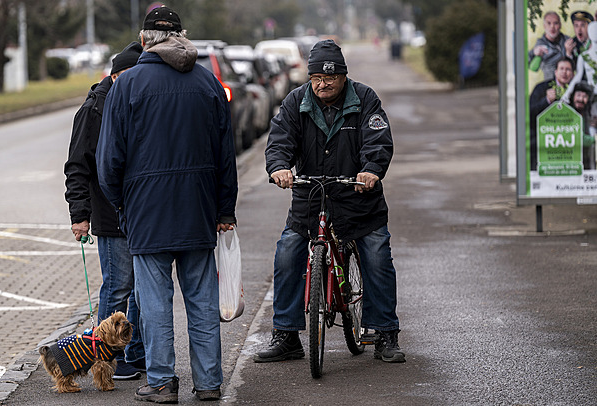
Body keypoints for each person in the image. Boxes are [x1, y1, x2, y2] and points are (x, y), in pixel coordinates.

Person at [96, 6, 238, 403]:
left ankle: (160, 382)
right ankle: (208, 383)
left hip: (147, 213)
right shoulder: (209, 83)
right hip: (198, 210)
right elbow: (225, 155)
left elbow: (109, 161)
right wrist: (225, 209)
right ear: (182, 37)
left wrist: (122, 206)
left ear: (144, 40)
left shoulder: (126, 86)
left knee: (154, 304)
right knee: (203, 303)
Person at [255, 39, 405, 365]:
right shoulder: (296, 101)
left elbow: (378, 140)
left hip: (358, 197)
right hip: (310, 197)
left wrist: (371, 170)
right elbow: (280, 139)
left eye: (330, 78)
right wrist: (279, 166)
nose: (323, 85)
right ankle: (286, 334)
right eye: (316, 79)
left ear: (343, 76)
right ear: (309, 79)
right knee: (287, 252)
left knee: (377, 254)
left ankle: (384, 332)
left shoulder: (365, 99)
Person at [63, 41, 145, 380]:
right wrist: (79, 215)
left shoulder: (136, 101)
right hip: (110, 215)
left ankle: (135, 351)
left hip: (142, 213)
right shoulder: (94, 109)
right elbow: (77, 166)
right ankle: (107, 357)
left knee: (143, 288)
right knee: (118, 286)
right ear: (120, 74)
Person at [529, 57, 574, 170]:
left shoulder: (576, 91)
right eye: (561, 69)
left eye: (568, 69)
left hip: (569, 146)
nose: (564, 72)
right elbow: (530, 113)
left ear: (573, 74)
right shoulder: (542, 88)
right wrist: (547, 101)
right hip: (542, 145)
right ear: (555, 72)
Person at [529, 11, 571, 81]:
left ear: (560, 25)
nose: (552, 27)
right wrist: (534, 52)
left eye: (556, 23)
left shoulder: (567, 40)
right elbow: (532, 67)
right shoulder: (540, 45)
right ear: (544, 26)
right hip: (550, 83)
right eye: (549, 23)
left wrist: (569, 53)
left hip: (568, 82)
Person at [569, 81, 596, 169]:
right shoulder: (569, 113)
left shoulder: (586, 113)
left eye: (585, 96)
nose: (581, 99)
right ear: (573, 96)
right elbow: (578, 139)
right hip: (571, 163)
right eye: (579, 95)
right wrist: (595, 139)